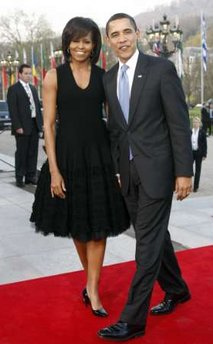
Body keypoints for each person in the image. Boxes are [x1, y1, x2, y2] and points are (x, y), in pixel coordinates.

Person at [98, 13, 193, 341]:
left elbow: (178, 123)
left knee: (147, 245)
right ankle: (177, 289)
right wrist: (115, 168)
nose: (122, 38)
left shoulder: (160, 69)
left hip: (158, 171)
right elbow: (115, 131)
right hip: (128, 173)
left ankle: (132, 321)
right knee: (155, 236)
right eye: (115, 34)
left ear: (137, 33)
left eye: (127, 31)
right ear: (108, 40)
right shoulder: (108, 79)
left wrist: (184, 171)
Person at [30, 17, 129, 317]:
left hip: (99, 159)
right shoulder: (53, 77)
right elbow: (47, 127)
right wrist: (55, 171)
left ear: (95, 45)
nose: (81, 46)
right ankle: (91, 282)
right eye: (76, 40)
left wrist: (117, 164)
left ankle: (93, 290)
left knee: (98, 228)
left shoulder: (105, 77)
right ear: (67, 42)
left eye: (87, 41)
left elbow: (114, 124)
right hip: (68, 160)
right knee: (77, 225)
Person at [7, 64, 43, 187]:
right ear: (20, 74)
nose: (29, 76)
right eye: (26, 73)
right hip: (22, 126)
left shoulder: (33, 88)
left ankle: (30, 176)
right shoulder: (14, 89)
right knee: (22, 153)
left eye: (29, 73)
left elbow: (37, 107)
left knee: (33, 152)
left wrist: (40, 124)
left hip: (34, 124)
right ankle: (19, 177)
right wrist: (18, 126)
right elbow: (13, 110)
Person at [191, 117, 207, 192]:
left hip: (199, 153)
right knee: (188, 168)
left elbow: (205, 144)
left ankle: (195, 187)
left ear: (199, 123)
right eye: (194, 122)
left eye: (197, 122)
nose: (195, 123)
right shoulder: (190, 131)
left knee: (198, 170)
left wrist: (204, 154)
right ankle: (188, 184)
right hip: (191, 153)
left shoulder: (202, 132)